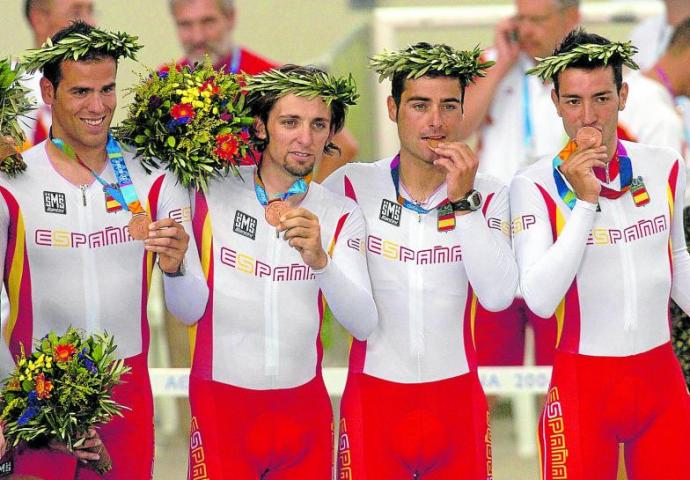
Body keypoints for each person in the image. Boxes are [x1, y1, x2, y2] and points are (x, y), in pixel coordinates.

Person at [0, 21, 208, 479]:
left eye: (108, 89)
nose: (98, 107)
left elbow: (191, 308)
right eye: (81, 92)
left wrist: (175, 269)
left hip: (127, 397)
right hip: (35, 393)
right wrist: (10, 401)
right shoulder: (12, 178)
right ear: (49, 92)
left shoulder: (155, 173)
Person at [324, 42, 518, 479]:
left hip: (456, 406)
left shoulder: (488, 193)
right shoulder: (351, 186)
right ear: (393, 109)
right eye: (419, 105)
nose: (436, 121)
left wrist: (463, 203)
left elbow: (499, 297)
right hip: (373, 404)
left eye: (449, 106)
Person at [186, 64, 377, 479]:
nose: (305, 138)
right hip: (223, 408)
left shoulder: (339, 211)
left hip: (302, 412)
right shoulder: (209, 189)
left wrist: (321, 263)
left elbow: (363, 324)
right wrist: (171, 268)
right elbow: (185, 310)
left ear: (331, 135)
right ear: (260, 126)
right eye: (290, 122)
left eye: (318, 124)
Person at [514, 29, 690, 478]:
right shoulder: (532, 186)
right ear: (555, 103)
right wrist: (585, 204)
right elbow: (538, 297)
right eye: (573, 101)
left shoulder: (665, 165)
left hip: (661, 386)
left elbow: (679, 262)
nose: (588, 116)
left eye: (602, 98)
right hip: (582, 393)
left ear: (624, 95)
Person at [460, 0, 580, 370]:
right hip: (498, 242)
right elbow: (457, 128)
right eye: (520, 18)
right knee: (487, 373)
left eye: (537, 20)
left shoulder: (587, 72)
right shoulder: (492, 65)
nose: (526, 29)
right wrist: (500, 67)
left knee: (560, 370)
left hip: (561, 245)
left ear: (570, 18)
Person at [168, 0, 359, 181]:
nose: (198, 37)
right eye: (185, 25)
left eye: (208, 22)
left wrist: (309, 199)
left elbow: (343, 145)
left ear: (230, 17)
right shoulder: (163, 85)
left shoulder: (270, 78)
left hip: (262, 211)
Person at [21, 0, 96, 147]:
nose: (92, 23)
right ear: (39, 19)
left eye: (90, 11)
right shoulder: (11, 92)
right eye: (76, 12)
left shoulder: (98, 94)